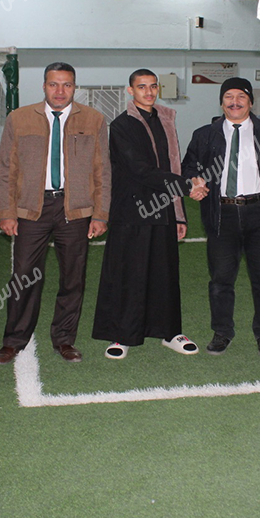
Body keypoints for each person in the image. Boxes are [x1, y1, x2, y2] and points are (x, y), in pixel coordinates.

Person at [0, 62, 110, 365]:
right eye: (54, 84)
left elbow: (102, 171)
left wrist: (100, 214)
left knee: (73, 277)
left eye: (66, 85)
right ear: (44, 86)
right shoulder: (18, 119)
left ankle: (64, 339)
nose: (60, 91)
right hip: (31, 209)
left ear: (75, 87)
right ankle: (13, 340)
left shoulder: (94, 120)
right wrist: (7, 212)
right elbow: (6, 169)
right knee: (24, 276)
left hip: (75, 209)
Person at [91, 69, 207, 359]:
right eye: (142, 87)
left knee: (164, 275)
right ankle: (122, 335)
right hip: (132, 212)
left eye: (153, 86)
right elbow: (139, 170)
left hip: (163, 210)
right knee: (129, 274)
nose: (149, 92)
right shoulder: (121, 125)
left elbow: (173, 166)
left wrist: (179, 215)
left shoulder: (165, 119)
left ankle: (170, 333)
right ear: (130, 91)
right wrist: (187, 186)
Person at [182, 77, 260, 357]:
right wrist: (194, 180)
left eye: (241, 96)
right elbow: (189, 167)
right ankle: (222, 332)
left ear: (251, 101)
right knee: (221, 280)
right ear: (221, 102)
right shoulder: (204, 135)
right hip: (222, 215)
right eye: (229, 96)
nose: (235, 102)